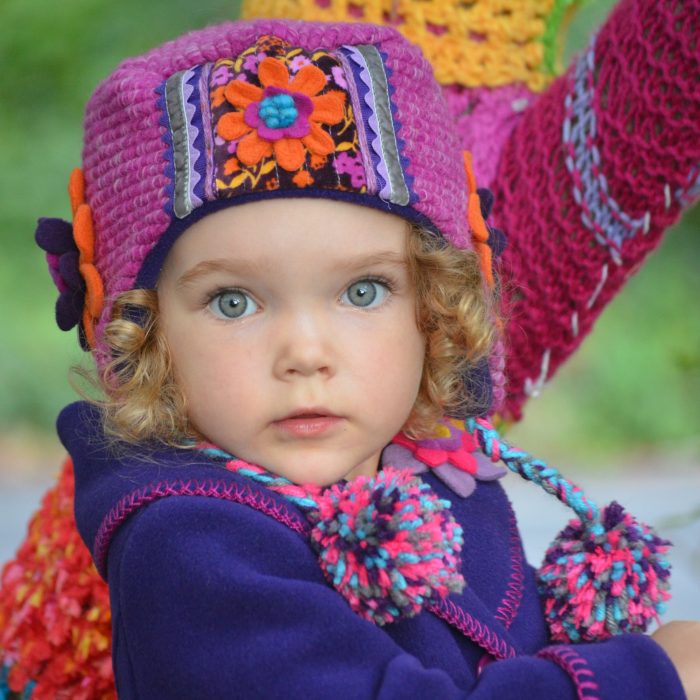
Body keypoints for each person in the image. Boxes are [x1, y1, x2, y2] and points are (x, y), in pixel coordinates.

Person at [1, 8, 698, 700]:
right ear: (143, 334)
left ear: (436, 305)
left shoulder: (430, 472)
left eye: (364, 291)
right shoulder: (194, 549)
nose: (307, 353)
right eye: (234, 302)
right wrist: (644, 678)